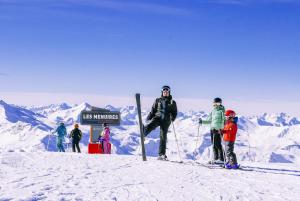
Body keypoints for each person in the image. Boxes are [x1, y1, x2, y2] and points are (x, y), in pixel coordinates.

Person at [144, 85, 178, 160]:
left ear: (169, 92)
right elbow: (153, 110)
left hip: (166, 121)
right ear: (162, 92)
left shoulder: (172, 102)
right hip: (158, 117)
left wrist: (173, 117)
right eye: (164, 92)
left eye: (167, 92)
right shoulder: (158, 100)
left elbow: (175, 112)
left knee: (163, 137)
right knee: (152, 125)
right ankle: (143, 132)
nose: (165, 93)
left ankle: (161, 154)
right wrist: (149, 117)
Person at [199, 97, 225, 164]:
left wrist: (221, 128)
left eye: (218, 103)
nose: (216, 104)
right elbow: (209, 120)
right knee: (214, 144)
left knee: (218, 144)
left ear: (220, 103)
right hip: (212, 129)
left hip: (218, 129)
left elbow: (224, 120)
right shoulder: (213, 111)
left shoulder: (222, 111)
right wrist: (202, 122)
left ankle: (221, 159)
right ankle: (216, 158)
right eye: (215, 103)